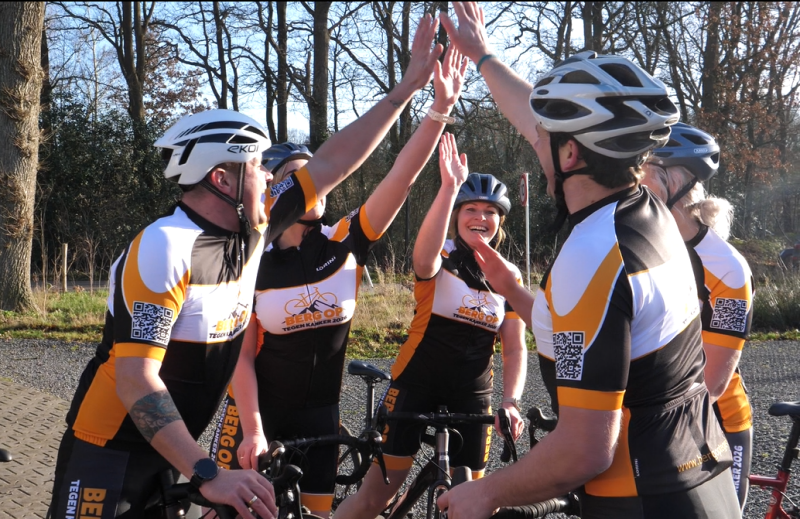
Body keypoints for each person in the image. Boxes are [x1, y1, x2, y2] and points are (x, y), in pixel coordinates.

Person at [47, 14, 445, 519]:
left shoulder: (256, 229)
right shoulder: (164, 246)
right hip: (109, 450)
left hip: (170, 450)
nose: (270, 178)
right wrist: (208, 473)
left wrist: (406, 89)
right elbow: (137, 381)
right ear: (221, 179)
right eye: (257, 166)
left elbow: (331, 163)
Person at [436, 4, 741, 518]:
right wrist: (483, 56)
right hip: (701, 480)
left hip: (641, 501)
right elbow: (606, 330)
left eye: (544, 138)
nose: (535, 141)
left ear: (571, 155)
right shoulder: (649, 214)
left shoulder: (592, 252)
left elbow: (584, 449)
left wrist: (486, 491)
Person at [208, 43, 469, 518]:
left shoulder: (347, 239)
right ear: (276, 188)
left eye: (320, 176)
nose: (318, 184)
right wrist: (254, 429)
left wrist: (437, 110)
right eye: (301, 176)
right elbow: (240, 357)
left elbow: (401, 178)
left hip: (321, 416)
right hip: (256, 414)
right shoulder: (253, 259)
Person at [334, 134, 528, 519]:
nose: (480, 218)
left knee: (471, 506)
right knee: (374, 500)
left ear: (500, 221)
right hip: (415, 385)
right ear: (456, 216)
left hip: (473, 394)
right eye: (471, 209)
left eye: (490, 211)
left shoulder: (510, 275)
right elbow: (423, 260)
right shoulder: (441, 256)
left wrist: (511, 401)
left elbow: (515, 347)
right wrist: (449, 187)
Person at [642, 123, 754, 510]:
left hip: (717, 422)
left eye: (644, 169)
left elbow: (715, 382)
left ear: (677, 180)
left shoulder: (727, 268)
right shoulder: (635, 247)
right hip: (653, 420)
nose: (632, 180)